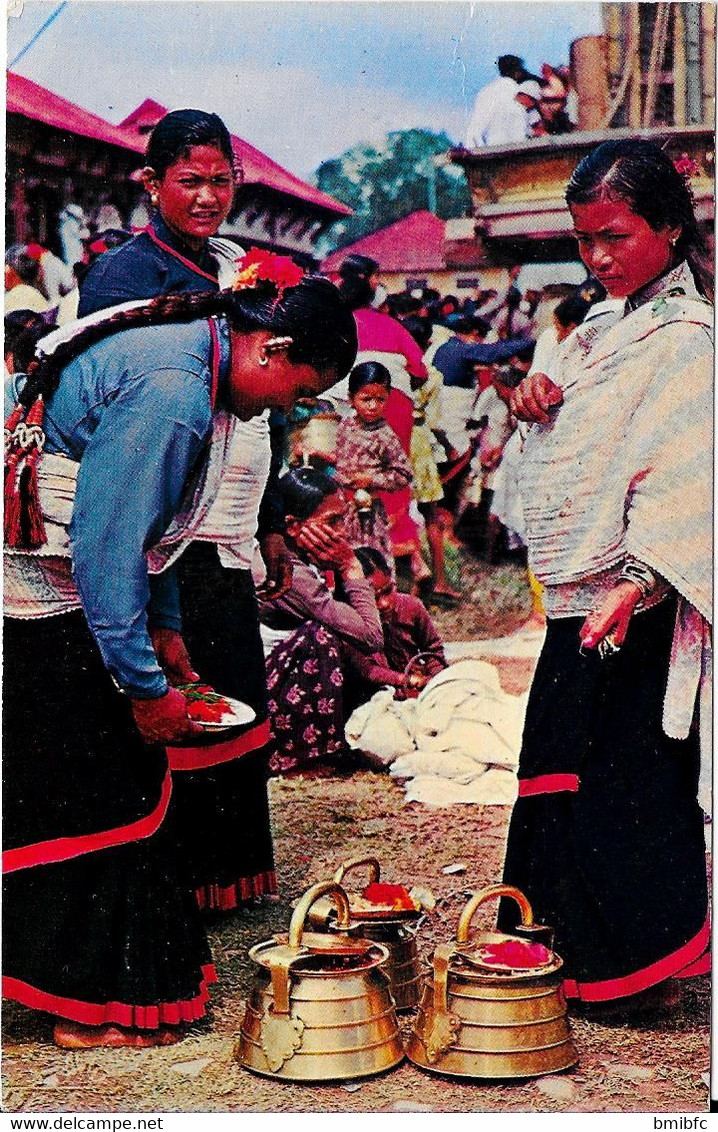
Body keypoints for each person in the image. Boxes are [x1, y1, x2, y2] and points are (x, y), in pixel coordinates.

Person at [3, 270, 357, 1048]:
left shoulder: (196, 362)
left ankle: (82, 990)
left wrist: (165, 635)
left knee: (107, 794)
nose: (285, 410)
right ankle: (84, 1005)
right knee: (103, 798)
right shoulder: (171, 388)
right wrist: (141, 684)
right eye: (297, 390)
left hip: (79, 593)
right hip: (49, 599)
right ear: (274, 347)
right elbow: (107, 543)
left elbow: (154, 530)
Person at [500, 139, 712, 1011]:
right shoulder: (594, 333)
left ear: (668, 227)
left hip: (641, 595)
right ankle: (567, 953)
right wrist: (533, 402)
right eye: (584, 239)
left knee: (629, 779)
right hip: (580, 594)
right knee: (560, 764)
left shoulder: (690, 341)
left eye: (614, 236)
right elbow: (569, 452)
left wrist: (642, 580)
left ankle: (640, 973)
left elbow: (691, 472)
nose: (597, 257)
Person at [77, 109, 291, 913]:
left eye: (220, 179)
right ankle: (175, 883)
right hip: (154, 501)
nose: (208, 196)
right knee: (174, 684)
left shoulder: (238, 265)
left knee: (229, 676)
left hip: (228, 501)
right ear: (151, 184)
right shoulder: (122, 277)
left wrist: (270, 516)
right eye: (189, 181)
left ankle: (230, 873)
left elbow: (269, 401)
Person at [258, 468, 384, 774]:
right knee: (320, 637)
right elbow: (369, 635)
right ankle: (301, 758)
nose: (341, 532)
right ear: (292, 527)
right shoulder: (290, 572)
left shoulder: (298, 560)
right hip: (263, 693)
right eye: (332, 522)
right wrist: (348, 565)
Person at [333, 254, 427, 581]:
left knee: (350, 475)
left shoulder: (336, 323)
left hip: (347, 403)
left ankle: (356, 558)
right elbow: (419, 370)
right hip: (394, 400)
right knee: (390, 474)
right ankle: (408, 553)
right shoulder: (391, 325)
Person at [342, 547, 447, 713]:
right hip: (375, 697)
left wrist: (437, 681)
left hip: (418, 689)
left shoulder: (411, 606)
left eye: (388, 591)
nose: (384, 603)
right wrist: (408, 680)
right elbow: (368, 670)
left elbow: (433, 647)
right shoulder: (349, 622)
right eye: (373, 598)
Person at [335, 361, 413, 576]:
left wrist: (371, 479)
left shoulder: (385, 436)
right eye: (366, 399)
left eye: (380, 400)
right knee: (343, 565)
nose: (372, 406)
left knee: (372, 565)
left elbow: (404, 473)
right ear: (351, 399)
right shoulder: (345, 426)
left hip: (368, 515)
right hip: (342, 509)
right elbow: (342, 460)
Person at [432, 313, 534, 458]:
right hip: (451, 413)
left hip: (441, 410)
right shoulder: (462, 348)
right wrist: (531, 342)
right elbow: (494, 352)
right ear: (474, 333)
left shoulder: (445, 347)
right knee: (460, 450)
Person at [464, 54, 539, 148]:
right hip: (517, 150)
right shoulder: (519, 92)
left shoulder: (485, 92)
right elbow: (531, 124)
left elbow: (475, 128)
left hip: (489, 150)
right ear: (517, 73)